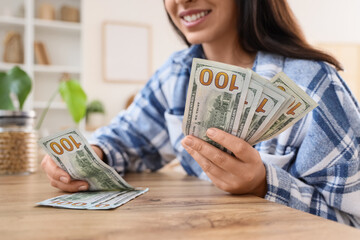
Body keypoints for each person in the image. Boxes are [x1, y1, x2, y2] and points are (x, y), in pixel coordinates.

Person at [41, 0, 360, 227]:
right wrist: (90, 156)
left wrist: (264, 184)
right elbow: (126, 139)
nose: (181, 0)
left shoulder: (314, 84)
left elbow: (352, 220)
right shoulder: (174, 75)